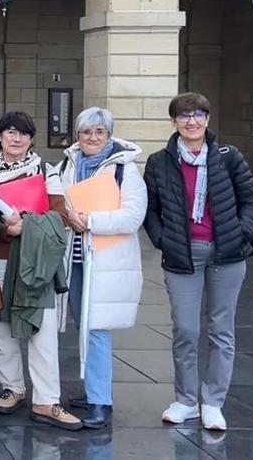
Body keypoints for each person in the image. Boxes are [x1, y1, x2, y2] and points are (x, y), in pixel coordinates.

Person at [143, 92, 253, 432]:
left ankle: (213, 402)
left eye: (198, 115)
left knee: (222, 331)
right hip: (184, 254)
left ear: (207, 120)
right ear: (174, 122)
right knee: (185, 329)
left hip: (227, 253)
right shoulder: (160, 161)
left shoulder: (228, 157)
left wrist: (240, 233)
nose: (191, 121)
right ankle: (185, 400)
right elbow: (150, 208)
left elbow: (251, 199)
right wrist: (162, 238)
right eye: (184, 116)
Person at [0, 112, 82, 431]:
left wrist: (27, 226)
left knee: (43, 328)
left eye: (23, 133)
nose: (17, 138)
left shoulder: (45, 170)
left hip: (36, 260)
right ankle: (13, 388)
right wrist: (5, 229)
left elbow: (61, 215)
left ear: (31, 139)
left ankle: (47, 399)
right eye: (10, 132)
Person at [50, 107, 147, 429]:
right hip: (74, 259)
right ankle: (93, 390)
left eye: (99, 132)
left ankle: (101, 401)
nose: (92, 138)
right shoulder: (69, 164)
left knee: (97, 328)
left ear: (108, 135)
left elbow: (133, 216)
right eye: (86, 132)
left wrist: (90, 221)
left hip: (105, 260)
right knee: (83, 324)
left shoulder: (124, 170)